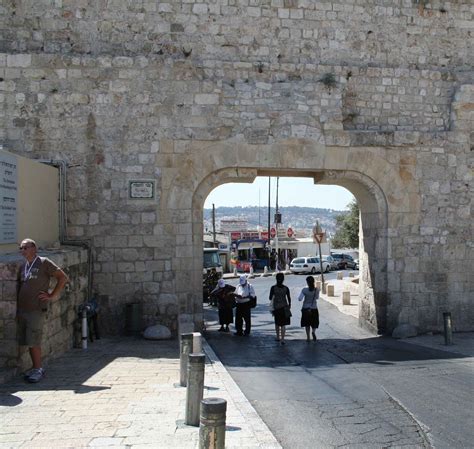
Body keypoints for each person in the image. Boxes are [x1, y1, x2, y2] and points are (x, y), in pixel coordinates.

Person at [17, 238, 68, 383]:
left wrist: (52, 295)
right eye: (21, 248)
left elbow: (63, 278)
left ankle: (38, 369)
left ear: (34, 248)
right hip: (23, 309)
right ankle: (34, 368)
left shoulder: (44, 262)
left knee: (34, 340)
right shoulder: (23, 266)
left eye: (25, 247)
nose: (23, 250)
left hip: (36, 308)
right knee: (27, 340)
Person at [269, 273, 291, 345]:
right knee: (283, 324)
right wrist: (289, 305)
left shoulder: (273, 288)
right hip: (284, 307)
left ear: (276, 279)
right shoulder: (286, 288)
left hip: (276, 308)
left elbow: (270, 298)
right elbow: (289, 298)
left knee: (277, 323)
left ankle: (278, 337)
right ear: (283, 279)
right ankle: (283, 339)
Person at [298, 276, 319, 342]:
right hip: (314, 308)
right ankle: (313, 331)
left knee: (307, 324)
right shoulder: (316, 290)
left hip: (306, 309)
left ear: (307, 282)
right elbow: (317, 298)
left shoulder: (304, 290)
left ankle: (308, 337)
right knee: (314, 322)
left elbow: (299, 299)